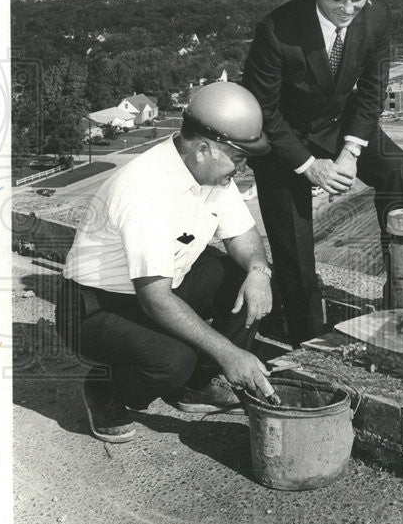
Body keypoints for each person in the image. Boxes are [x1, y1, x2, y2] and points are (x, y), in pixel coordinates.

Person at [56, 81, 278, 444]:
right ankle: (105, 389)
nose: (243, 167)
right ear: (204, 149)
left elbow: (244, 237)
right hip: (95, 306)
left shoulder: (209, 173)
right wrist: (230, 353)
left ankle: (195, 385)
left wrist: (259, 271)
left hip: (159, 287)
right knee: (172, 361)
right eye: (239, 158)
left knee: (252, 284)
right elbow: (155, 299)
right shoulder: (146, 189)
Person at [242, 0, 403, 345]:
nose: (348, 9)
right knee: (295, 248)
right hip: (285, 137)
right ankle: (307, 340)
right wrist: (308, 165)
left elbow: (372, 91)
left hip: (339, 125)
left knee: (397, 169)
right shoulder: (276, 31)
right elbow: (261, 111)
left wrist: (351, 152)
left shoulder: (375, 18)